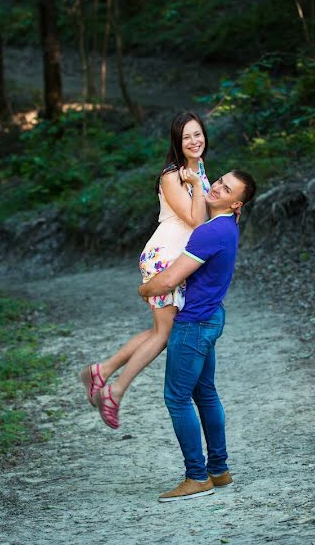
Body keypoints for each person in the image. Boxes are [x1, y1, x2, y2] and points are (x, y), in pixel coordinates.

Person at [79, 111, 212, 429]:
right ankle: (114, 391)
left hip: (178, 258)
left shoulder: (199, 169)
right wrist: (194, 184)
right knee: (164, 334)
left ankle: (100, 371)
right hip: (163, 257)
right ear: (177, 143)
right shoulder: (173, 176)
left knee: (159, 332)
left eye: (198, 134)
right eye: (187, 137)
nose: (194, 141)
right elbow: (196, 221)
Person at [138, 169, 257, 503]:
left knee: (177, 397)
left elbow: (167, 281)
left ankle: (197, 476)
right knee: (205, 393)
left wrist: (143, 289)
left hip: (193, 324)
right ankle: (218, 469)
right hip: (210, 316)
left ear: (238, 204)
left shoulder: (210, 232)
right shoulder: (225, 227)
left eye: (227, 189)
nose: (217, 187)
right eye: (219, 181)